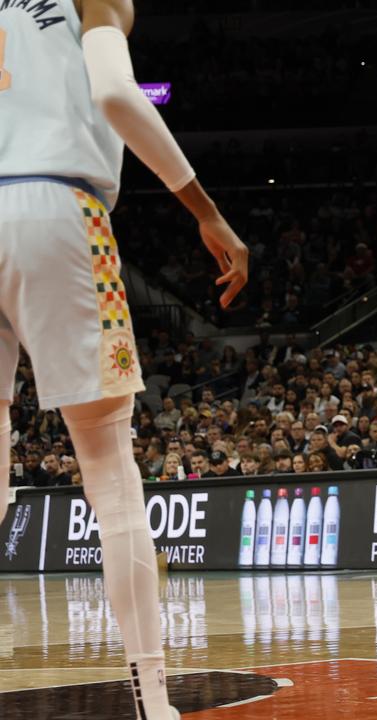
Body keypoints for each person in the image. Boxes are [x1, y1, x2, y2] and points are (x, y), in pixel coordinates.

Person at [0, 2, 250, 717]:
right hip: (58, 210)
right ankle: (153, 698)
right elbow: (115, 93)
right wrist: (203, 207)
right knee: (110, 472)